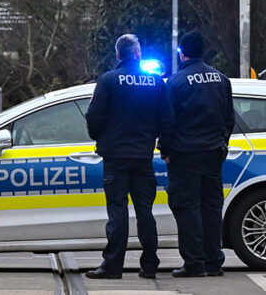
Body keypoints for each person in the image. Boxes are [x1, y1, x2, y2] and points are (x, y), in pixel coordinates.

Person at [84, 34, 171, 280]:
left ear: (117, 55)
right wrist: (160, 145)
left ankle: (112, 265)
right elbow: (166, 119)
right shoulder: (155, 82)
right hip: (143, 156)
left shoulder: (108, 80)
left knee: (117, 210)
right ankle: (150, 264)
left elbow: (94, 117)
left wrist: (99, 136)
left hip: (115, 157)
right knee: (145, 210)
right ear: (138, 53)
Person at [161, 31, 234, 277]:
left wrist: (166, 151)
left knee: (187, 207)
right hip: (213, 154)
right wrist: (221, 144)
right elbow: (229, 118)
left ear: (182, 53)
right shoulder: (221, 79)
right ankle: (214, 261)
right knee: (212, 207)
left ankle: (194, 263)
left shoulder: (177, 81)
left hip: (185, 155)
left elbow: (167, 122)